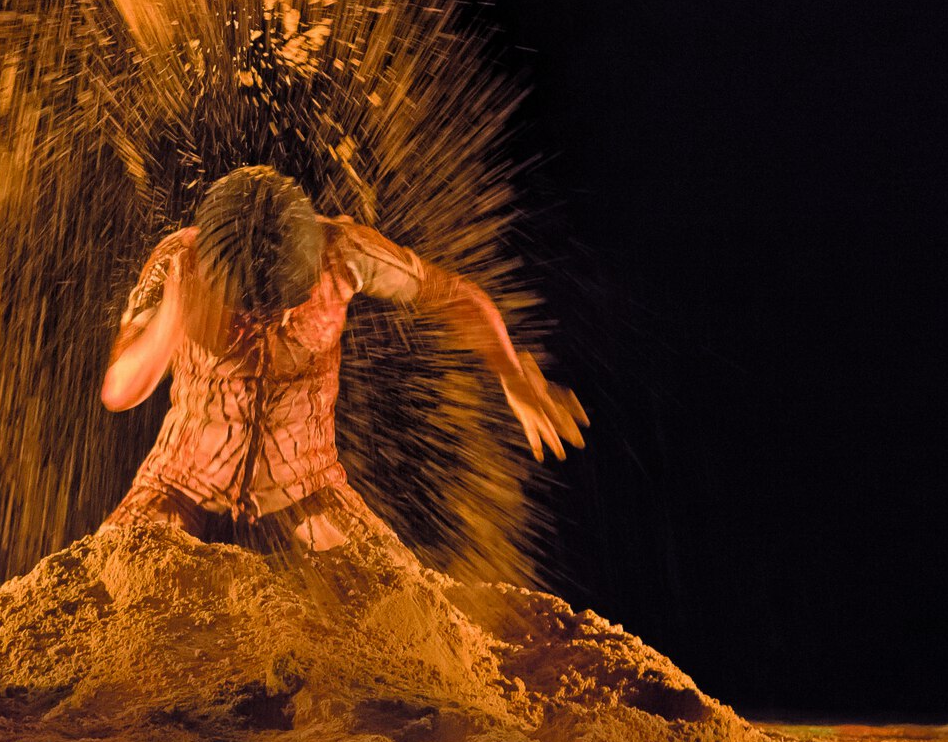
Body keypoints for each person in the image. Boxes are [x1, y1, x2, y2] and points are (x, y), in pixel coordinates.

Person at [97, 165, 587, 554]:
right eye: (251, 310)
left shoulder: (345, 250)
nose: (273, 320)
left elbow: (453, 296)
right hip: (178, 480)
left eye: (289, 301)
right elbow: (120, 392)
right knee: (112, 593)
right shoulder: (177, 265)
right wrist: (177, 309)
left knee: (400, 611)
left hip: (307, 483)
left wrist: (509, 369)